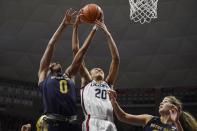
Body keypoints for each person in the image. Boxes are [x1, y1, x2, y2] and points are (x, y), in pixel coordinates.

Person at [37, 8, 98, 131]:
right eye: (53, 63)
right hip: (53, 122)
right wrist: (63, 25)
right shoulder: (43, 76)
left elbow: (80, 52)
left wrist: (94, 29)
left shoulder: (69, 74)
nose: (56, 62)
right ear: (48, 68)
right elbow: (51, 45)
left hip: (72, 123)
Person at [72, 13, 120, 131]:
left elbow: (116, 60)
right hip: (92, 122)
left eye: (101, 70)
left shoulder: (108, 84)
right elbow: (76, 51)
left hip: (110, 123)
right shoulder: (87, 81)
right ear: (90, 74)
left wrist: (107, 33)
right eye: (95, 70)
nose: (99, 69)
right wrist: (76, 28)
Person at [108, 90, 197, 131]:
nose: (161, 103)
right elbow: (123, 117)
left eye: (165, 101)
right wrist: (113, 101)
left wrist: (177, 122)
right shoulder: (149, 119)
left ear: (173, 107)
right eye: (161, 101)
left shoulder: (176, 127)